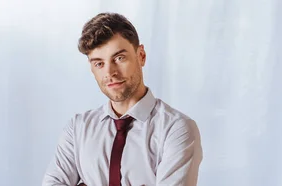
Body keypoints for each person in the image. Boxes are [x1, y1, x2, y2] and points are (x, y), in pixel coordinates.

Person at [42, 12, 203, 186]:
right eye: (99, 63)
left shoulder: (176, 129)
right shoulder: (77, 129)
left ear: (141, 55)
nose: (110, 73)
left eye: (119, 58)